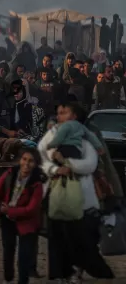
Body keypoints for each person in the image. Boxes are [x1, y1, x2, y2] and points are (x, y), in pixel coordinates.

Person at [38, 103, 114, 282]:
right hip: (56, 192)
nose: (59, 116)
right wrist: (55, 170)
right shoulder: (52, 134)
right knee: (56, 237)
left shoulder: (84, 136)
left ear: (73, 116)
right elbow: (43, 156)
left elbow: (91, 162)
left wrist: (67, 165)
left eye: (64, 113)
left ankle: (78, 270)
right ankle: (60, 273)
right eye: (58, 113)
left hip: (81, 193)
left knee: (80, 237)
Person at [0, 148, 44, 284]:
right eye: (24, 159)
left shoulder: (37, 183)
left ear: (35, 164)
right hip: (7, 221)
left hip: (27, 222)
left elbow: (32, 209)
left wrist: (10, 211)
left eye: (30, 161)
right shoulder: (9, 174)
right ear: (19, 160)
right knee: (8, 252)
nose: (26, 164)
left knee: (24, 257)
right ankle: (8, 279)